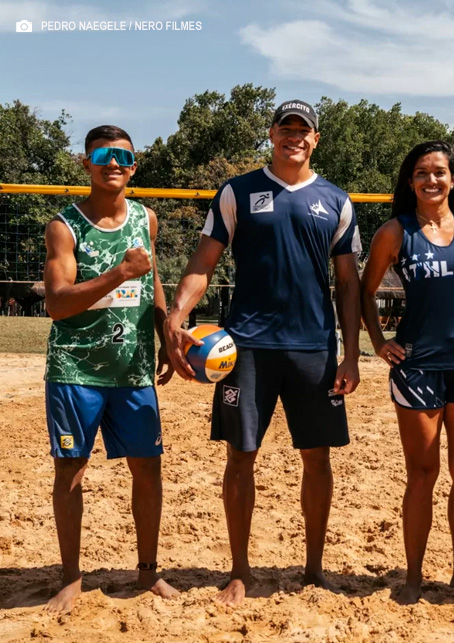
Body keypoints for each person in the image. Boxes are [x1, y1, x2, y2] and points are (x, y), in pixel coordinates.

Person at [163, 100, 362, 607]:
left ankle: (314, 568)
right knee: (240, 456)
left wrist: (352, 353)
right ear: (271, 134)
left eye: (303, 130)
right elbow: (204, 261)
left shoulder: (336, 200)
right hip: (247, 348)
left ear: (315, 139)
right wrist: (176, 315)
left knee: (317, 457)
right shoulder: (238, 191)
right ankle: (239, 570)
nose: (294, 136)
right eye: (285, 128)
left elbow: (347, 283)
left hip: (314, 347)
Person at [360, 141, 454, 604]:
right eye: (422, 173)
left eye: (439, 172)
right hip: (417, 368)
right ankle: (412, 576)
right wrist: (378, 341)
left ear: (453, 179)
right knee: (422, 473)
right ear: (411, 182)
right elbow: (364, 291)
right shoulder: (395, 232)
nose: (431, 180)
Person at [42, 125, 177, 613]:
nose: (113, 163)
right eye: (102, 156)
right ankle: (71, 577)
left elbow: (152, 280)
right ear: (87, 164)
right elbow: (58, 304)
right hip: (75, 370)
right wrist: (120, 272)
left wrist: (165, 334)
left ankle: (147, 572)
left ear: (134, 166)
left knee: (148, 469)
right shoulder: (64, 227)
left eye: (123, 156)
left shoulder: (146, 219)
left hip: (132, 369)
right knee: (70, 471)